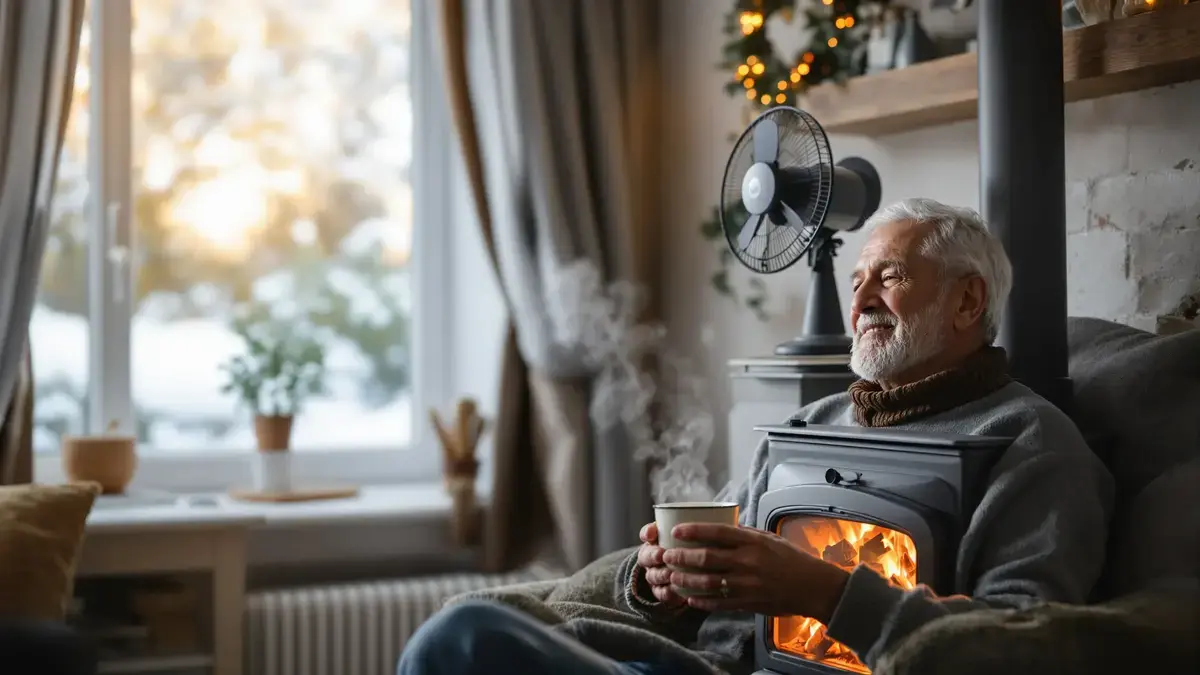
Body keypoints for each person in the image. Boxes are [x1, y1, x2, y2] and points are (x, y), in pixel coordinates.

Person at [397, 198, 1115, 675]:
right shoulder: (809, 424)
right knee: (467, 622)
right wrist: (658, 583)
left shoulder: (1032, 444)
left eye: (888, 277)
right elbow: (720, 569)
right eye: (858, 277)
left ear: (968, 300)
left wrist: (821, 592)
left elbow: (1025, 645)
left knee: (458, 644)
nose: (858, 300)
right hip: (699, 663)